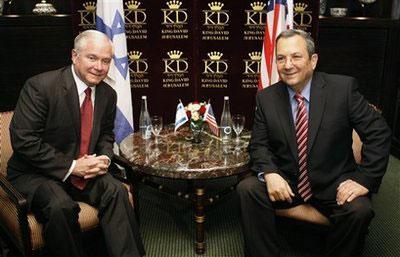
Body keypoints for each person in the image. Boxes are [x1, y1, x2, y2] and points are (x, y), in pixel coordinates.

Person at [237, 29, 391, 257]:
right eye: (281, 58)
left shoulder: (342, 89)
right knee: (247, 189)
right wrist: (270, 173)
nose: (288, 65)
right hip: (287, 182)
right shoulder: (266, 98)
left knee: (360, 210)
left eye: (296, 56)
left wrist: (364, 179)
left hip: (334, 184)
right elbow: (259, 144)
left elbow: (379, 133)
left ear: (313, 60)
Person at [7, 30, 145, 257]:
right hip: (36, 173)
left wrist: (104, 158)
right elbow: (24, 140)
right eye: (92, 58)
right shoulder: (41, 87)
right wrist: (72, 167)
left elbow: (106, 135)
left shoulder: (108, 94)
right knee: (60, 206)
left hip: (85, 171)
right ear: (74, 56)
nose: (99, 67)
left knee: (116, 191)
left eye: (106, 61)